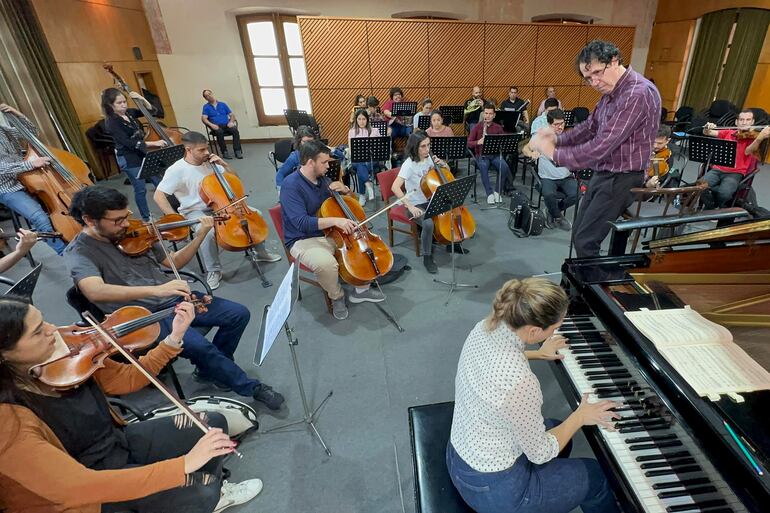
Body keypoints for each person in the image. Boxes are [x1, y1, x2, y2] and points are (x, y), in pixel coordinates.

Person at [0, 295, 263, 513]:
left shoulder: (65, 354)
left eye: (43, 320)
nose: (53, 330)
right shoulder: (7, 421)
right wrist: (183, 465)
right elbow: (75, 487)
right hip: (93, 485)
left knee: (213, 424)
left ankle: (206, 487)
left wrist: (174, 338)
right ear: (5, 353)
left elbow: (127, 379)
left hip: (115, 441)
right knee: (203, 491)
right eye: (37, 332)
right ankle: (204, 493)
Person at [63, 185, 285, 410]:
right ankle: (251, 387)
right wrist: (158, 290)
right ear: (90, 220)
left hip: (173, 298)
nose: (126, 224)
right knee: (199, 346)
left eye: (126, 216)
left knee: (238, 314)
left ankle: (211, 371)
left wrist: (199, 237)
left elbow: (173, 263)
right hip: (143, 315)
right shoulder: (79, 252)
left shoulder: (137, 232)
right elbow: (95, 291)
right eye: (117, 221)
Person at [447, 277, 621, 513]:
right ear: (534, 330)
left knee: (558, 429)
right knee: (598, 477)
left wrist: (538, 354)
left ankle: (550, 489)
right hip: (493, 489)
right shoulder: (520, 382)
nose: (557, 329)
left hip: (461, 455)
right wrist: (580, 416)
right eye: (555, 326)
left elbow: (500, 360)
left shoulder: (484, 327)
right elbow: (540, 453)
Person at [529, 40, 660, 258]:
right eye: (589, 78)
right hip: (606, 173)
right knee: (578, 235)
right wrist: (556, 137)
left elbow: (602, 145)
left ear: (614, 61)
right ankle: (581, 287)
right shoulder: (611, 94)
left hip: (624, 177)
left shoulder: (637, 92)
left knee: (586, 242)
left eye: (597, 73)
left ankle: (594, 290)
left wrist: (553, 152)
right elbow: (589, 128)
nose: (594, 82)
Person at [153, 131, 281, 290]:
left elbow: (235, 180)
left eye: (206, 148)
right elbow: (159, 196)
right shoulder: (176, 170)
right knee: (206, 232)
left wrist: (224, 165)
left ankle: (261, 252)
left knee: (256, 215)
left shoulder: (211, 162)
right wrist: (175, 218)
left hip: (223, 205)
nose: (206, 153)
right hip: (195, 210)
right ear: (188, 149)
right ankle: (214, 270)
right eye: (201, 150)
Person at [279, 141, 385, 320]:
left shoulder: (323, 179)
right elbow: (301, 222)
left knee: (364, 249)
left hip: (329, 232)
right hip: (302, 238)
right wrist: (336, 220)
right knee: (326, 264)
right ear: (310, 162)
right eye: (324, 162)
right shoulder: (291, 186)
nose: (329, 166)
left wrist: (345, 190)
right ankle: (337, 296)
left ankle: (361, 290)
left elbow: (347, 204)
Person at [0, 104, 67, 255]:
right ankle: (64, 252)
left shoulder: (3, 131)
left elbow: (32, 133)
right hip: (7, 187)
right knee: (40, 218)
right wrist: (31, 163)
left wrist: (18, 115)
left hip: (27, 178)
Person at [391, 132, 458, 274]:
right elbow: (395, 187)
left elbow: (447, 173)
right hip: (415, 204)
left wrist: (443, 164)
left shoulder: (430, 159)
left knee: (453, 207)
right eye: (423, 146)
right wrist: (410, 206)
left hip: (431, 199)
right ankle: (427, 257)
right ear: (415, 148)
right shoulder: (408, 165)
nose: (427, 149)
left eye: (428, 145)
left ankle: (452, 242)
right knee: (428, 224)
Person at [102, 87, 167, 222]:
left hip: (141, 153)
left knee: (159, 183)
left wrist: (141, 99)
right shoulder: (111, 122)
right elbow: (128, 142)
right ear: (110, 105)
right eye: (119, 103)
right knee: (140, 189)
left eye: (124, 101)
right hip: (128, 157)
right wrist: (154, 144)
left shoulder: (130, 113)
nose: (124, 105)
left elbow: (152, 111)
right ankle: (146, 217)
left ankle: (168, 210)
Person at [701, 110, 770, 208]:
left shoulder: (753, 138)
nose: (744, 122)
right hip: (718, 168)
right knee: (698, 186)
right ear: (736, 122)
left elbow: (747, 151)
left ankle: (717, 207)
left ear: (752, 122)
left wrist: (760, 138)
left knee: (724, 193)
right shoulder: (729, 132)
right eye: (741, 119)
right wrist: (707, 127)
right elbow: (708, 132)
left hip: (735, 173)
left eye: (748, 120)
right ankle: (711, 205)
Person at [522, 109, 576, 230]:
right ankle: (557, 217)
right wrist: (531, 154)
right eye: (556, 124)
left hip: (566, 176)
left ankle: (552, 211)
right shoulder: (540, 137)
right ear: (549, 124)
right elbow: (525, 148)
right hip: (548, 178)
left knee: (577, 194)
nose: (560, 127)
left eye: (562, 123)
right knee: (548, 194)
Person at [468, 104, 512, 205]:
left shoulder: (498, 128)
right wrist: (478, 142)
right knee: (483, 167)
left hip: (495, 155)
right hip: (482, 155)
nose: (487, 116)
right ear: (483, 114)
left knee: (504, 166)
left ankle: (497, 192)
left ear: (494, 115)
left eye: (490, 114)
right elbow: (469, 142)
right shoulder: (477, 127)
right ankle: (489, 194)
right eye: (486, 113)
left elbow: (504, 142)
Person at [348, 109, 381, 206]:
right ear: (356, 120)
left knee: (360, 168)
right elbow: (351, 150)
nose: (361, 121)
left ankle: (362, 195)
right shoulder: (352, 132)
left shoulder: (374, 131)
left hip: (371, 159)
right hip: (357, 159)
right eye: (359, 119)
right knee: (359, 164)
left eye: (364, 119)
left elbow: (378, 148)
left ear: (367, 120)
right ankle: (368, 183)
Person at [201, 89, 242, 160]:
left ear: (212, 94)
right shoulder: (206, 107)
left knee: (235, 130)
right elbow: (204, 118)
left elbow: (232, 115)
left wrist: (231, 122)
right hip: (216, 127)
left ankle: (237, 150)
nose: (209, 96)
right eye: (206, 96)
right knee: (219, 132)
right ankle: (224, 152)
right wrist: (211, 125)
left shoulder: (223, 104)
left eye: (209, 94)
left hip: (226, 125)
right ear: (205, 98)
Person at [275, 125, 316, 189]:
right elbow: (280, 175)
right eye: (305, 142)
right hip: (300, 187)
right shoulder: (294, 157)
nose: (308, 145)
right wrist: (281, 191)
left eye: (311, 142)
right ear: (299, 142)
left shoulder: (318, 153)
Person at [645, 125, 674, 189]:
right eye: (653, 142)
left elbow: (660, 179)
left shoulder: (667, 157)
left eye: (660, 143)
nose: (655, 146)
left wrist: (649, 183)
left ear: (668, 141)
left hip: (649, 188)